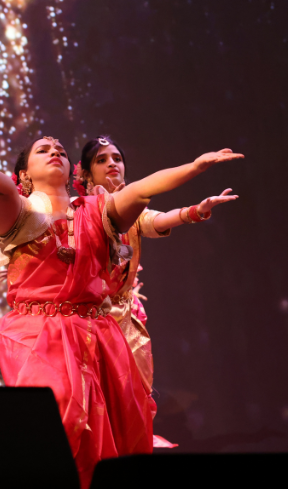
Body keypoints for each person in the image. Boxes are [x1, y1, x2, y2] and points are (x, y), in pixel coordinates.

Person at [0, 136, 242, 488]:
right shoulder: (18, 210)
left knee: (117, 436)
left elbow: (141, 190)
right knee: (60, 417)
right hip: (38, 336)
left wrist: (195, 167)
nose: (55, 153)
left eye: (60, 150)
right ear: (24, 173)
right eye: (43, 151)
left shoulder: (98, 208)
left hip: (99, 336)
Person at [74, 135, 237, 399]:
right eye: (101, 160)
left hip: (126, 319)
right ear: (85, 173)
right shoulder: (78, 212)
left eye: (117, 158)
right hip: (89, 321)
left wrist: (199, 209)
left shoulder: (131, 211)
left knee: (132, 399)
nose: (112, 164)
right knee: (97, 401)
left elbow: (158, 220)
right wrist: (195, 166)